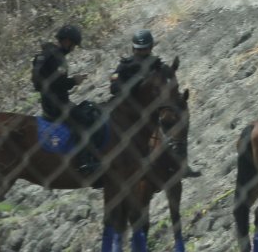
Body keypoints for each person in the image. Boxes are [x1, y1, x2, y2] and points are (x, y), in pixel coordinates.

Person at [110, 29, 202, 178]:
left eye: (145, 49)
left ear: (151, 47)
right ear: (133, 49)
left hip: (155, 109)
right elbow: (114, 88)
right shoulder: (125, 66)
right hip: (130, 108)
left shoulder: (158, 66)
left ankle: (181, 163)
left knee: (180, 117)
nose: (142, 52)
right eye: (139, 49)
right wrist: (135, 83)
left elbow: (170, 86)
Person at [31, 24, 100, 174]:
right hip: (58, 105)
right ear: (67, 41)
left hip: (47, 103)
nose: (73, 49)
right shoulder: (58, 58)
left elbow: (41, 83)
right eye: (73, 45)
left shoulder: (45, 54)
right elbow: (57, 84)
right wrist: (74, 81)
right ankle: (84, 162)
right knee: (84, 120)